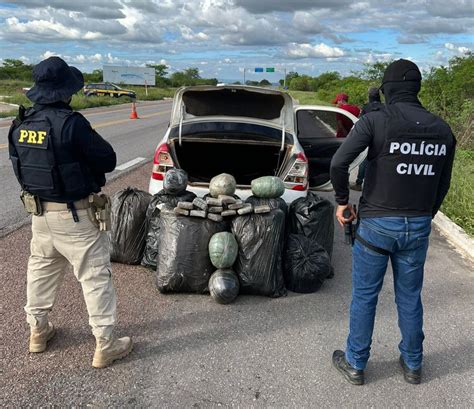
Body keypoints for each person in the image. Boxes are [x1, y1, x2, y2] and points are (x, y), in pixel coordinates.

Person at [329, 59, 456, 385]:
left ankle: (356, 364)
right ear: (417, 89)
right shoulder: (443, 129)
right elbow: (443, 183)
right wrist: (426, 215)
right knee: (410, 297)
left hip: (375, 226)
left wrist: (342, 203)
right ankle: (413, 364)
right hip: (417, 226)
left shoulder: (376, 121)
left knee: (365, 297)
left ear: (387, 90)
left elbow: (339, 162)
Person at [7, 56, 133, 368]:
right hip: (75, 217)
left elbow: (20, 168)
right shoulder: (71, 123)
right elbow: (107, 159)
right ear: (66, 91)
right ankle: (105, 344)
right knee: (94, 277)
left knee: (40, 271)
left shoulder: (20, 125)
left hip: (39, 216)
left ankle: (38, 331)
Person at [350, 87, 384, 191]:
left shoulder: (366, 107)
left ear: (370, 96)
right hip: (382, 138)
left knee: (364, 161)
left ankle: (359, 183)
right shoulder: (385, 107)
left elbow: (360, 122)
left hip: (368, 137)